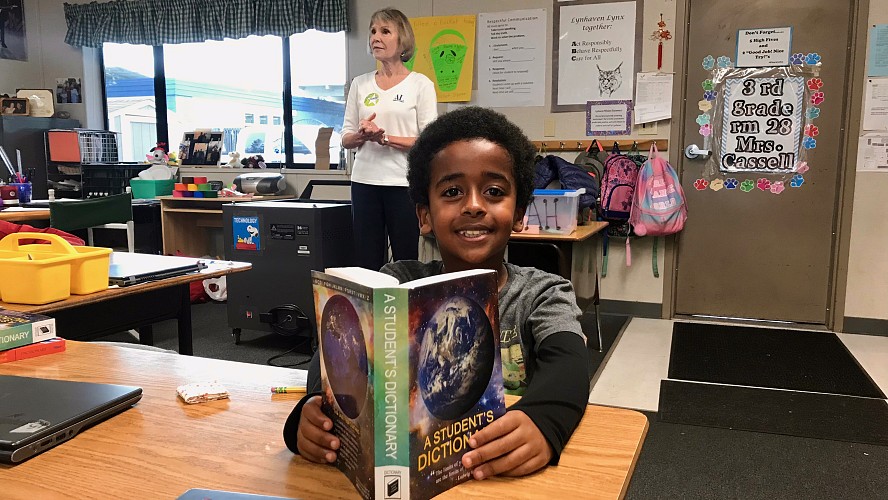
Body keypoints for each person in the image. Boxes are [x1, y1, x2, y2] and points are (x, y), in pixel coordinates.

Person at [284, 107, 591, 479]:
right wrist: (312, 411)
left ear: (520, 212)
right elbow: (334, 358)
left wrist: (545, 422)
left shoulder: (540, 293)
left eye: (494, 191)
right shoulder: (395, 282)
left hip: (499, 475)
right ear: (425, 215)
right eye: (452, 192)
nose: (474, 205)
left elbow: (570, 365)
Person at [340, 7, 437, 271]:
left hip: (402, 184)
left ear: (402, 39)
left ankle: (407, 312)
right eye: (372, 31)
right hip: (364, 182)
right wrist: (361, 135)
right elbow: (345, 138)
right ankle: (370, 313)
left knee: (405, 260)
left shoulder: (420, 84)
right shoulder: (359, 84)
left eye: (384, 31)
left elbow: (429, 141)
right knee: (367, 260)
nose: (375, 37)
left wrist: (385, 138)